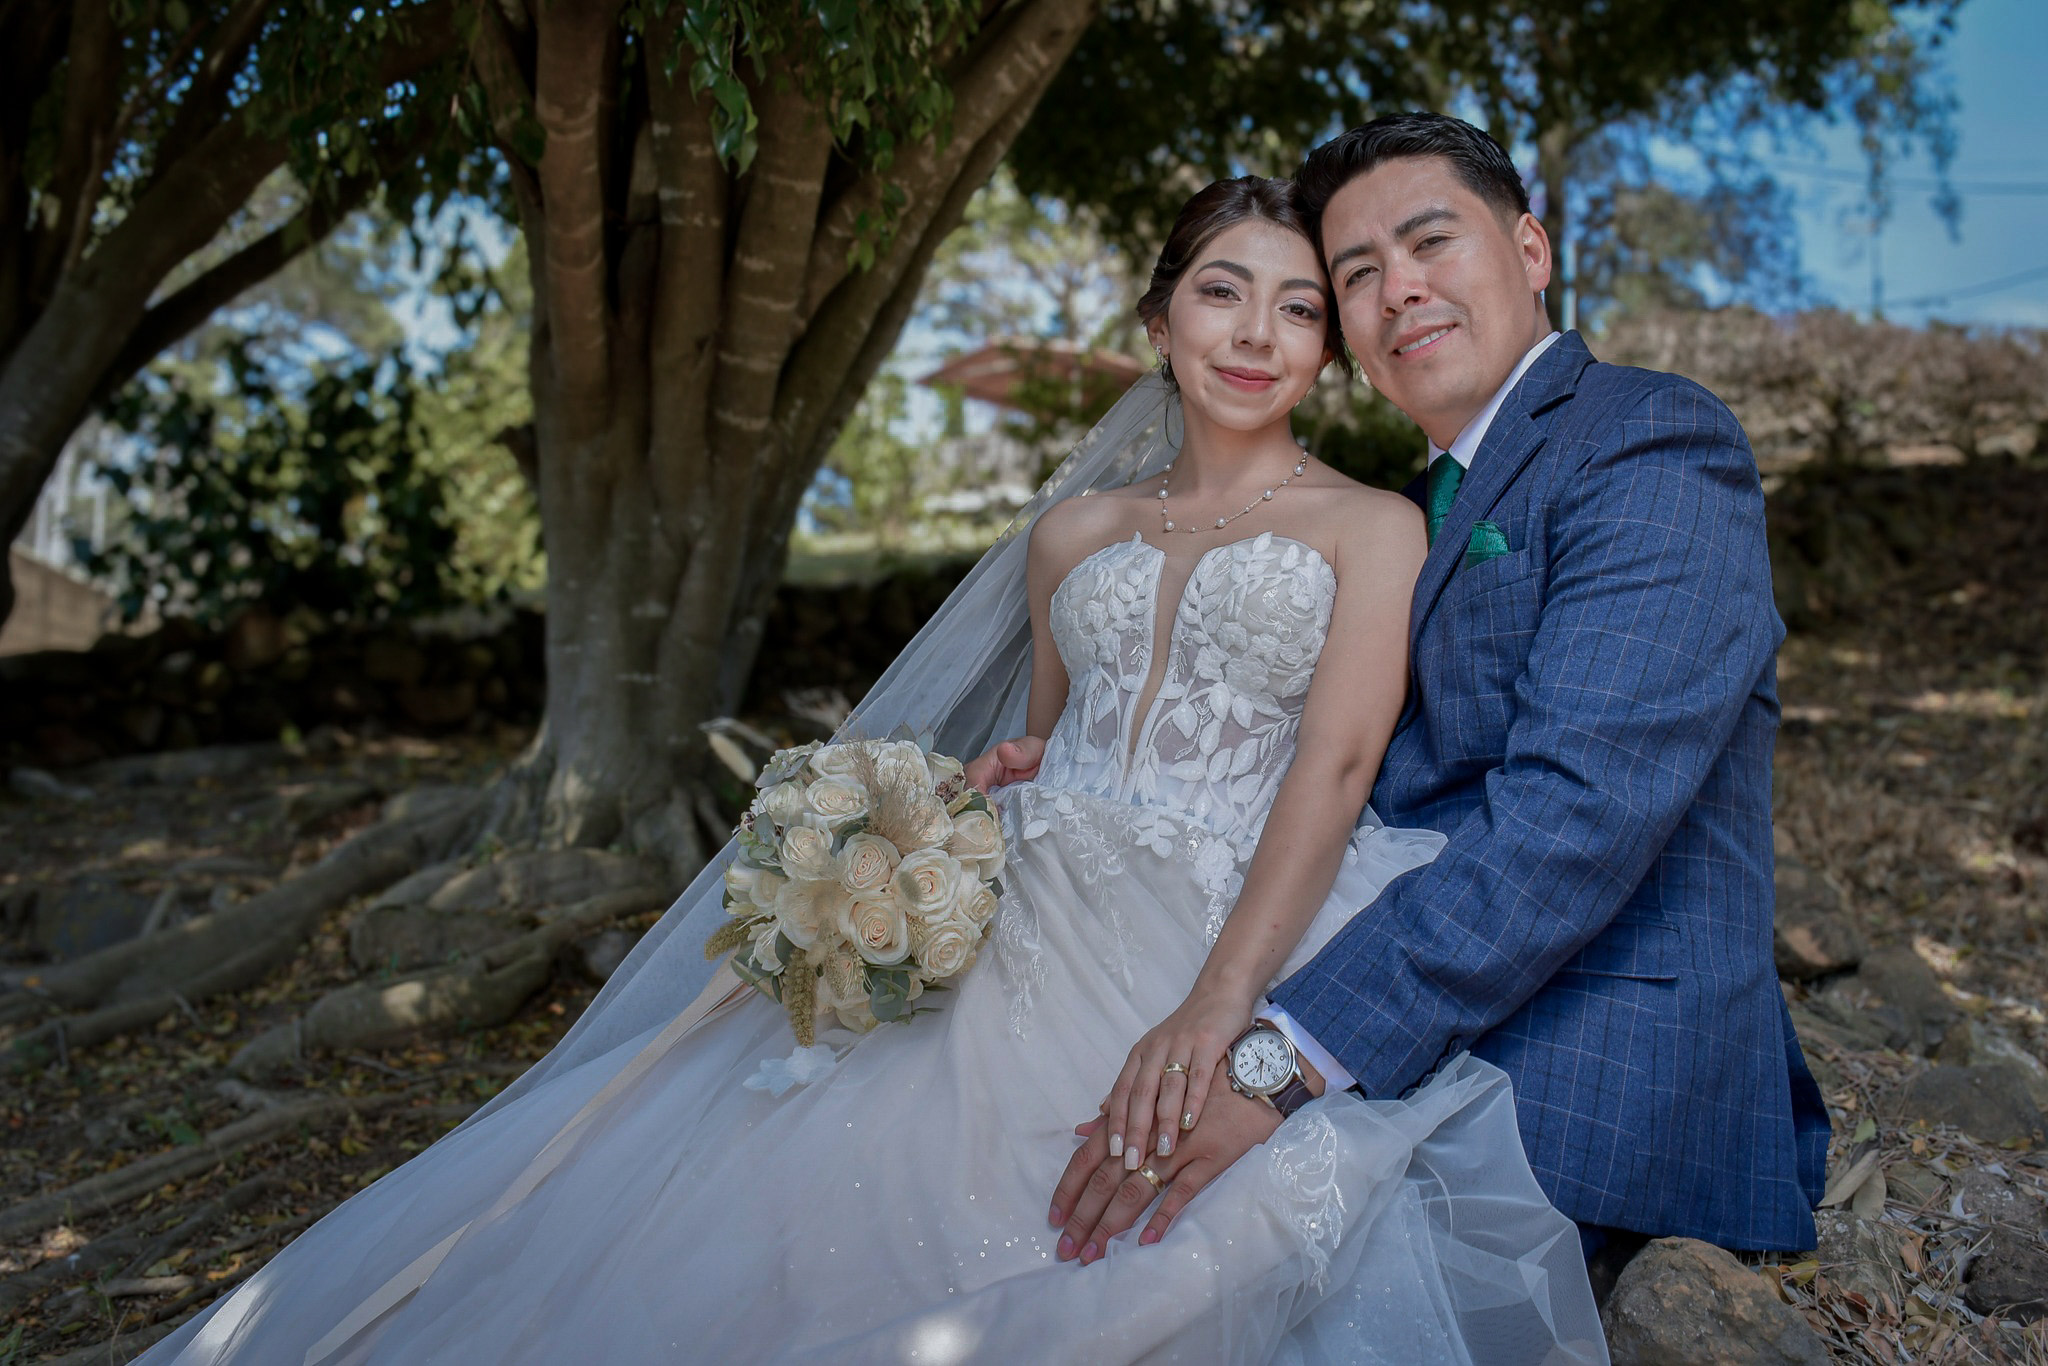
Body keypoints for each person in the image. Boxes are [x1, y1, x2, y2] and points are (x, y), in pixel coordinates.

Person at [138, 175, 1604, 1366]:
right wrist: (981, 788)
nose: (1258, 333)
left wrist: (1217, 1007)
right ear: (1160, 316)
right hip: (1026, 889)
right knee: (763, 1181)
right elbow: (1049, 726)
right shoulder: (1072, 535)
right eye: (1223, 290)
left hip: (1212, 910)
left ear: (1325, 353)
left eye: (1300, 309)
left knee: (1091, 1226)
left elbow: (1337, 767)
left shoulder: (1371, 529)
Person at [1018, 113, 1829, 1277]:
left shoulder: (1649, 440)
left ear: (1530, 251)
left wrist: (1286, 1056)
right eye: (1356, 274)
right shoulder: (1414, 506)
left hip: (1583, 1042)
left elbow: (1576, 814)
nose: (1397, 289)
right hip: (1397, 978)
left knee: (1188, 1252)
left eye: (1430, 241)